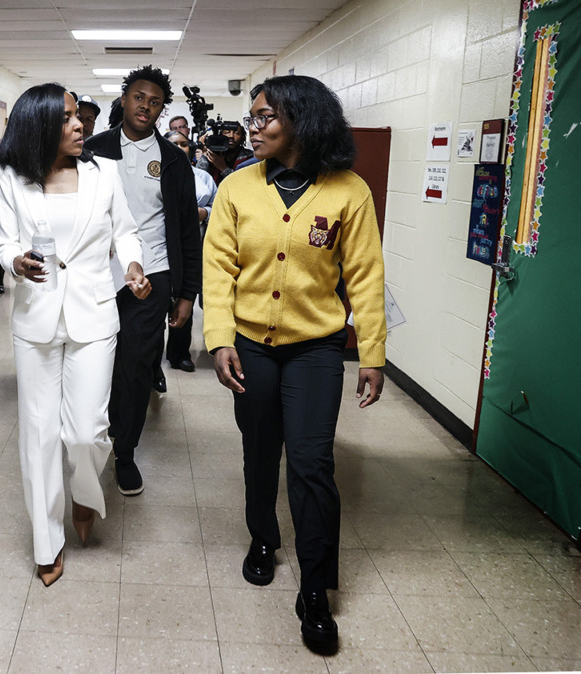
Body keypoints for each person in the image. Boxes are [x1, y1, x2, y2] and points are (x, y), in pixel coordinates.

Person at [202, 75, 385, 651]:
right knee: (260, 449)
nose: (250, 128)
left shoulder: (348, 191)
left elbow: (366, 276)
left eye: (263, 118)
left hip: (316, 348)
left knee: (311, 464)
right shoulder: (235, 188)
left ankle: (315, 589)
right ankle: (263, 538)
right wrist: (219, 339)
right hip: (251, 345)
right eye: (250, 118)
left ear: (301, 121)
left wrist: (373, 352)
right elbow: (218, 270)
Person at [0, 83, 149, 586]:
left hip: (94, 312)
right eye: (66, 118)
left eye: (78, 116)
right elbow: (3, 241)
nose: (80, 124)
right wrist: (14, 262)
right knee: (38, 435)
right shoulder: (11, 177)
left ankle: (85, 493)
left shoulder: (103, 174)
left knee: (86, 431)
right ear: (39, 125)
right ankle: (47, 541)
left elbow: (124, 230)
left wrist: (133, 264)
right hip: (36, 314)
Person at [84, 65, 201, 496]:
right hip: (95, 274)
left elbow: (187, 229)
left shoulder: (173, 162)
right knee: (97, 362)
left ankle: (125, 451)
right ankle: (88, 441)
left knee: (134, 366)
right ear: (125, 97)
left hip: (151, 276)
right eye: (139, 97)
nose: (145, 107)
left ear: (161, 108)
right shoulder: (92, 150)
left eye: (154, 102)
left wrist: (187, 293)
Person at [162, 130, 216, 373]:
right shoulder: (156, 173)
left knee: (185, 298)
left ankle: (180, 353)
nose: (180, 147)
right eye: (175, 143)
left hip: (193, 243)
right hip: (160, 245)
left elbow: (219, 206)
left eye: (184, 144)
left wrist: (205, 212)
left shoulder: (202, 177)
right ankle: (153, 363)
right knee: (156, 304)